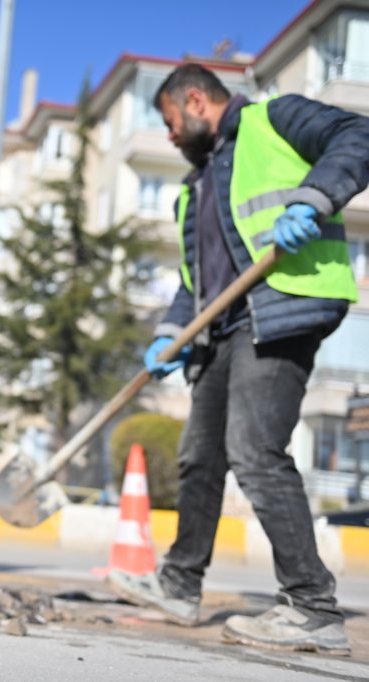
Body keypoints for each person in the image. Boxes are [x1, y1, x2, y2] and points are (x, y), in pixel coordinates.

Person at [107, 64, 369, 656]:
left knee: (255, 449)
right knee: (199, 457)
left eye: (171, 123)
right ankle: (178, 585)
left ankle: (311, 608)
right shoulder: (195, 187)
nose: (171, 136)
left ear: (195, 100)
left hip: (281, 308)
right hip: (219, 331)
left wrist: (315, 198)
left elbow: (358, 135)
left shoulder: (274, 121)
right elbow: (194, 282)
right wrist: (171, 333)